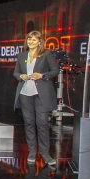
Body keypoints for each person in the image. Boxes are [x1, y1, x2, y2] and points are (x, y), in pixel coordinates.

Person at [13, 30, 58, 166]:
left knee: (42, 124)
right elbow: (16, 72)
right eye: (29, 39)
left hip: (41, 94)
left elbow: (55, 71)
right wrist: (21, 76)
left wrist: (42, 75)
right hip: (25, 93)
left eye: (34, 39)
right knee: (29, 123)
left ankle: (45, 153)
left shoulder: (47, 54)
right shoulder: (22, 55)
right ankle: (32, 152)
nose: (31, 42)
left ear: (39, 42)